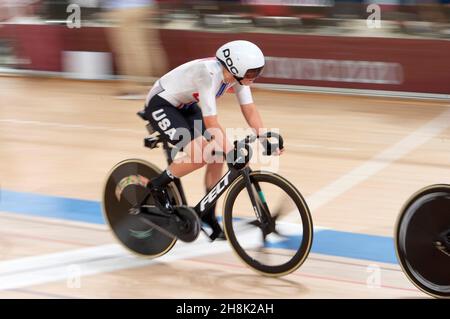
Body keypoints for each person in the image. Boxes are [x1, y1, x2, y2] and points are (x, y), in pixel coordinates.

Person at [140, 40, 284, 241]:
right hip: (162, 105)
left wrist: (264, 136)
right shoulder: (208, 75)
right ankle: (157, 185)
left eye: (257, 72)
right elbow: (211, 121)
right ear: (235, 67)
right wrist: (231, 151)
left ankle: (208, 213)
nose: (254, 77)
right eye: (252, 73)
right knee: (200, 155)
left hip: (186, 106)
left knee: (217, 154)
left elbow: (249, 109)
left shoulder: (237, 78)